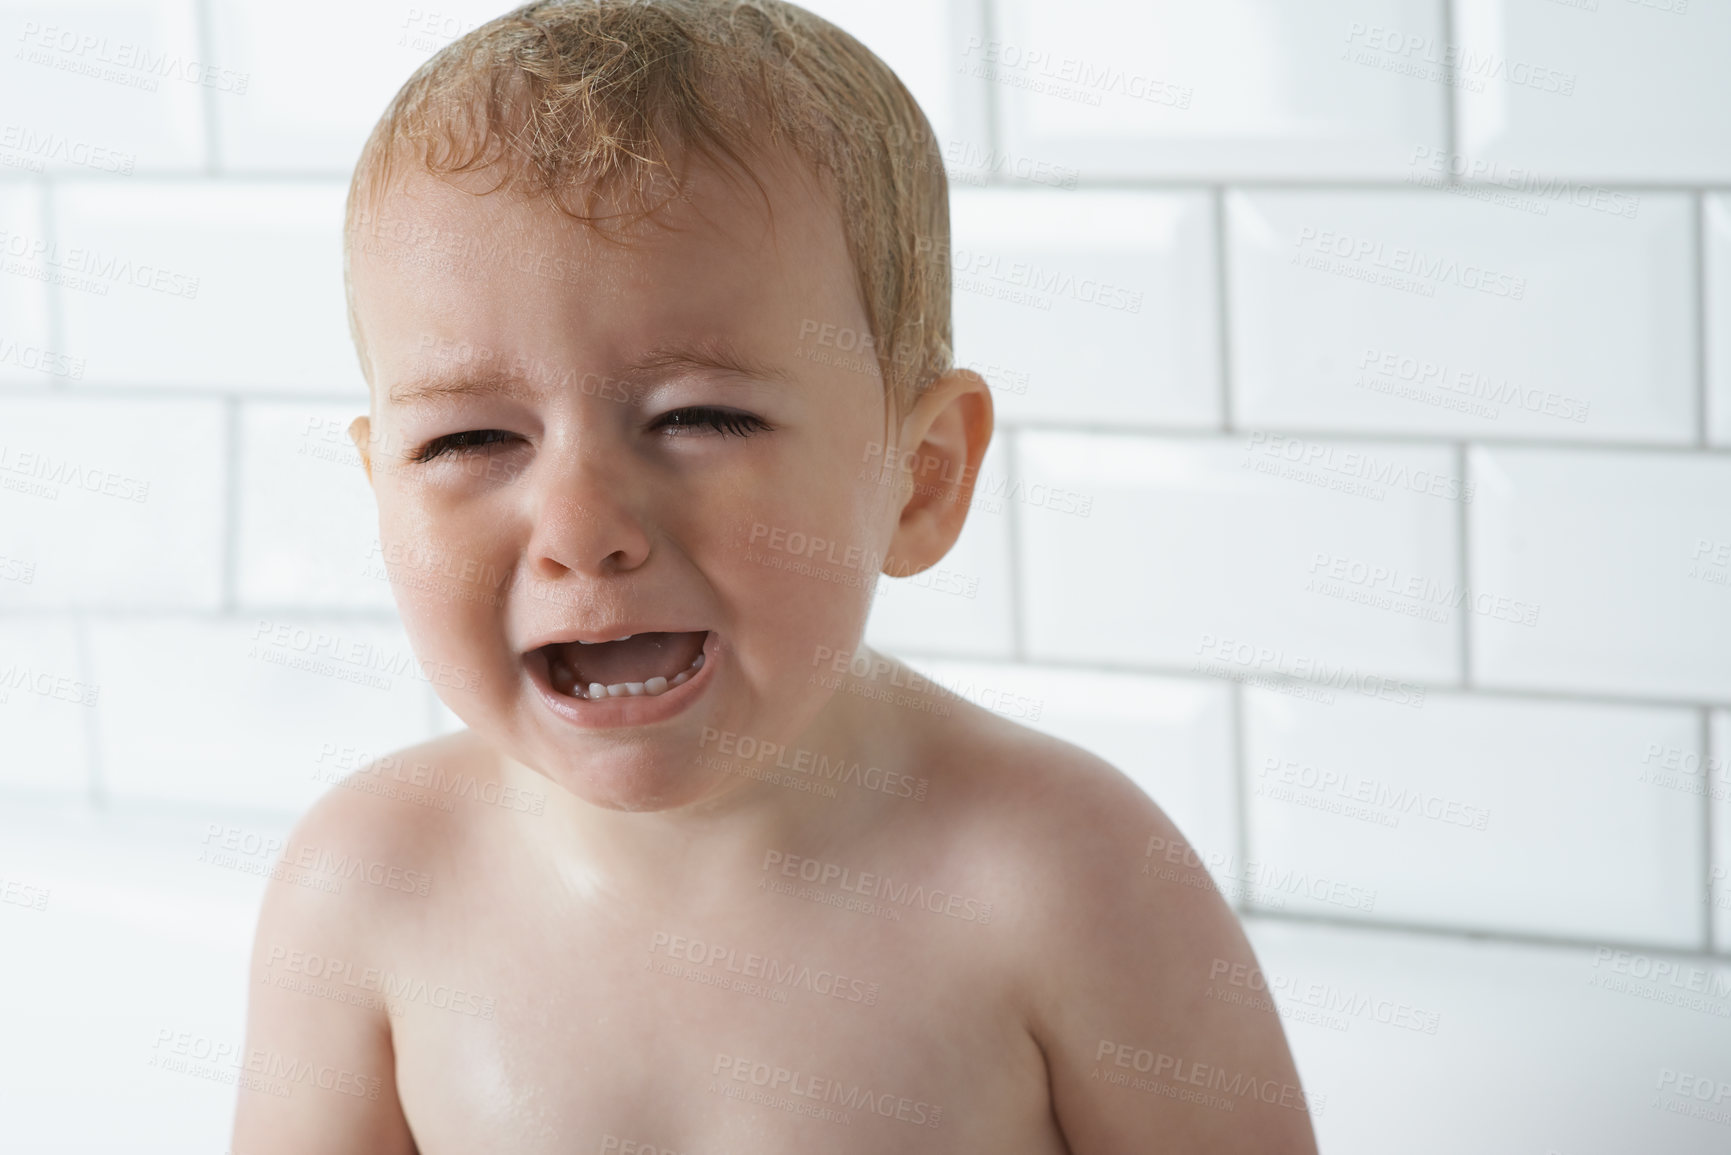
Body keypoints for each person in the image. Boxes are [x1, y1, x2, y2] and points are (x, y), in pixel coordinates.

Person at [233, 2, 1318, 1150]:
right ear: (380, 489)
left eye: (700, 416)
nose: (582, 529)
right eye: (468, 441)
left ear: (920, 477)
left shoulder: (1067, 880)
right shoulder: (365, 889)